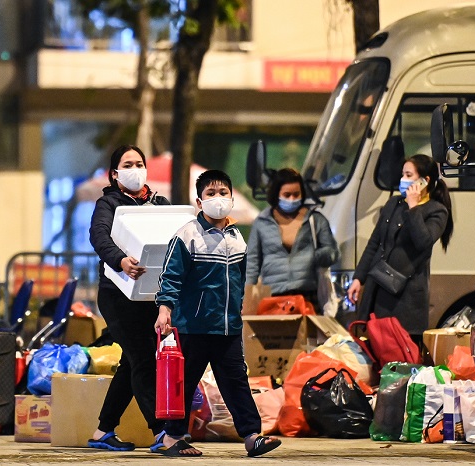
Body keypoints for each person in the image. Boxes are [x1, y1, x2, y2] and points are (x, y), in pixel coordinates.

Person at [153, 170, 281, 458]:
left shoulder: (237, 237)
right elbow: (170, 277)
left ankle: (252, 436)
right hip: (193, 327)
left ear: (232, 199)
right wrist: (165, 310)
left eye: (223, 193)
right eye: (210, 194)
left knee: (236, 382)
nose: (218, 199)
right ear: (199, 202)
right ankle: (172, 438)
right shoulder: (187, 235)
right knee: (182, 383)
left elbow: (241, 277)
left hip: (228, 328)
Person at [88, 144, 169, 450]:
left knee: (132, 362)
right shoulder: (108, 205)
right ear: (115, 173)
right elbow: (99, 236)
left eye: (139, 163)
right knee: (144, 359)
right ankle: (162, 431)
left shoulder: (161, 204)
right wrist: (120, 260)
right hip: (117, 297)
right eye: (128, 164)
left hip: (150, 297)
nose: (135, 169)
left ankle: (103, 431)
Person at [346, 154, 453, 346]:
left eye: (408, 174)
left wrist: (413, 208)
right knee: (374, 347)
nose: (403, 179)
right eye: (403, 174)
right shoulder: (393, 204)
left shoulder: (436, 211)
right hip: (378, 288)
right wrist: (358, 278)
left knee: (401, 354)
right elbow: (374, 243)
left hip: (405, 299)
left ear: (424, 181)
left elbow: (423, 241)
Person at [246, 168, 339, 312]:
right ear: (277, 195)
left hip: (308, 297)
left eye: (296, 194)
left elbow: (333, 252)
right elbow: (252, 262)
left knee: (308, 334)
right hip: (273, 298)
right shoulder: (262, 223)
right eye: (287, 195)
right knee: (277, 334)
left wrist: (315, 257)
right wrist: (247, 294)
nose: (292, 199)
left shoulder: (315, 220)